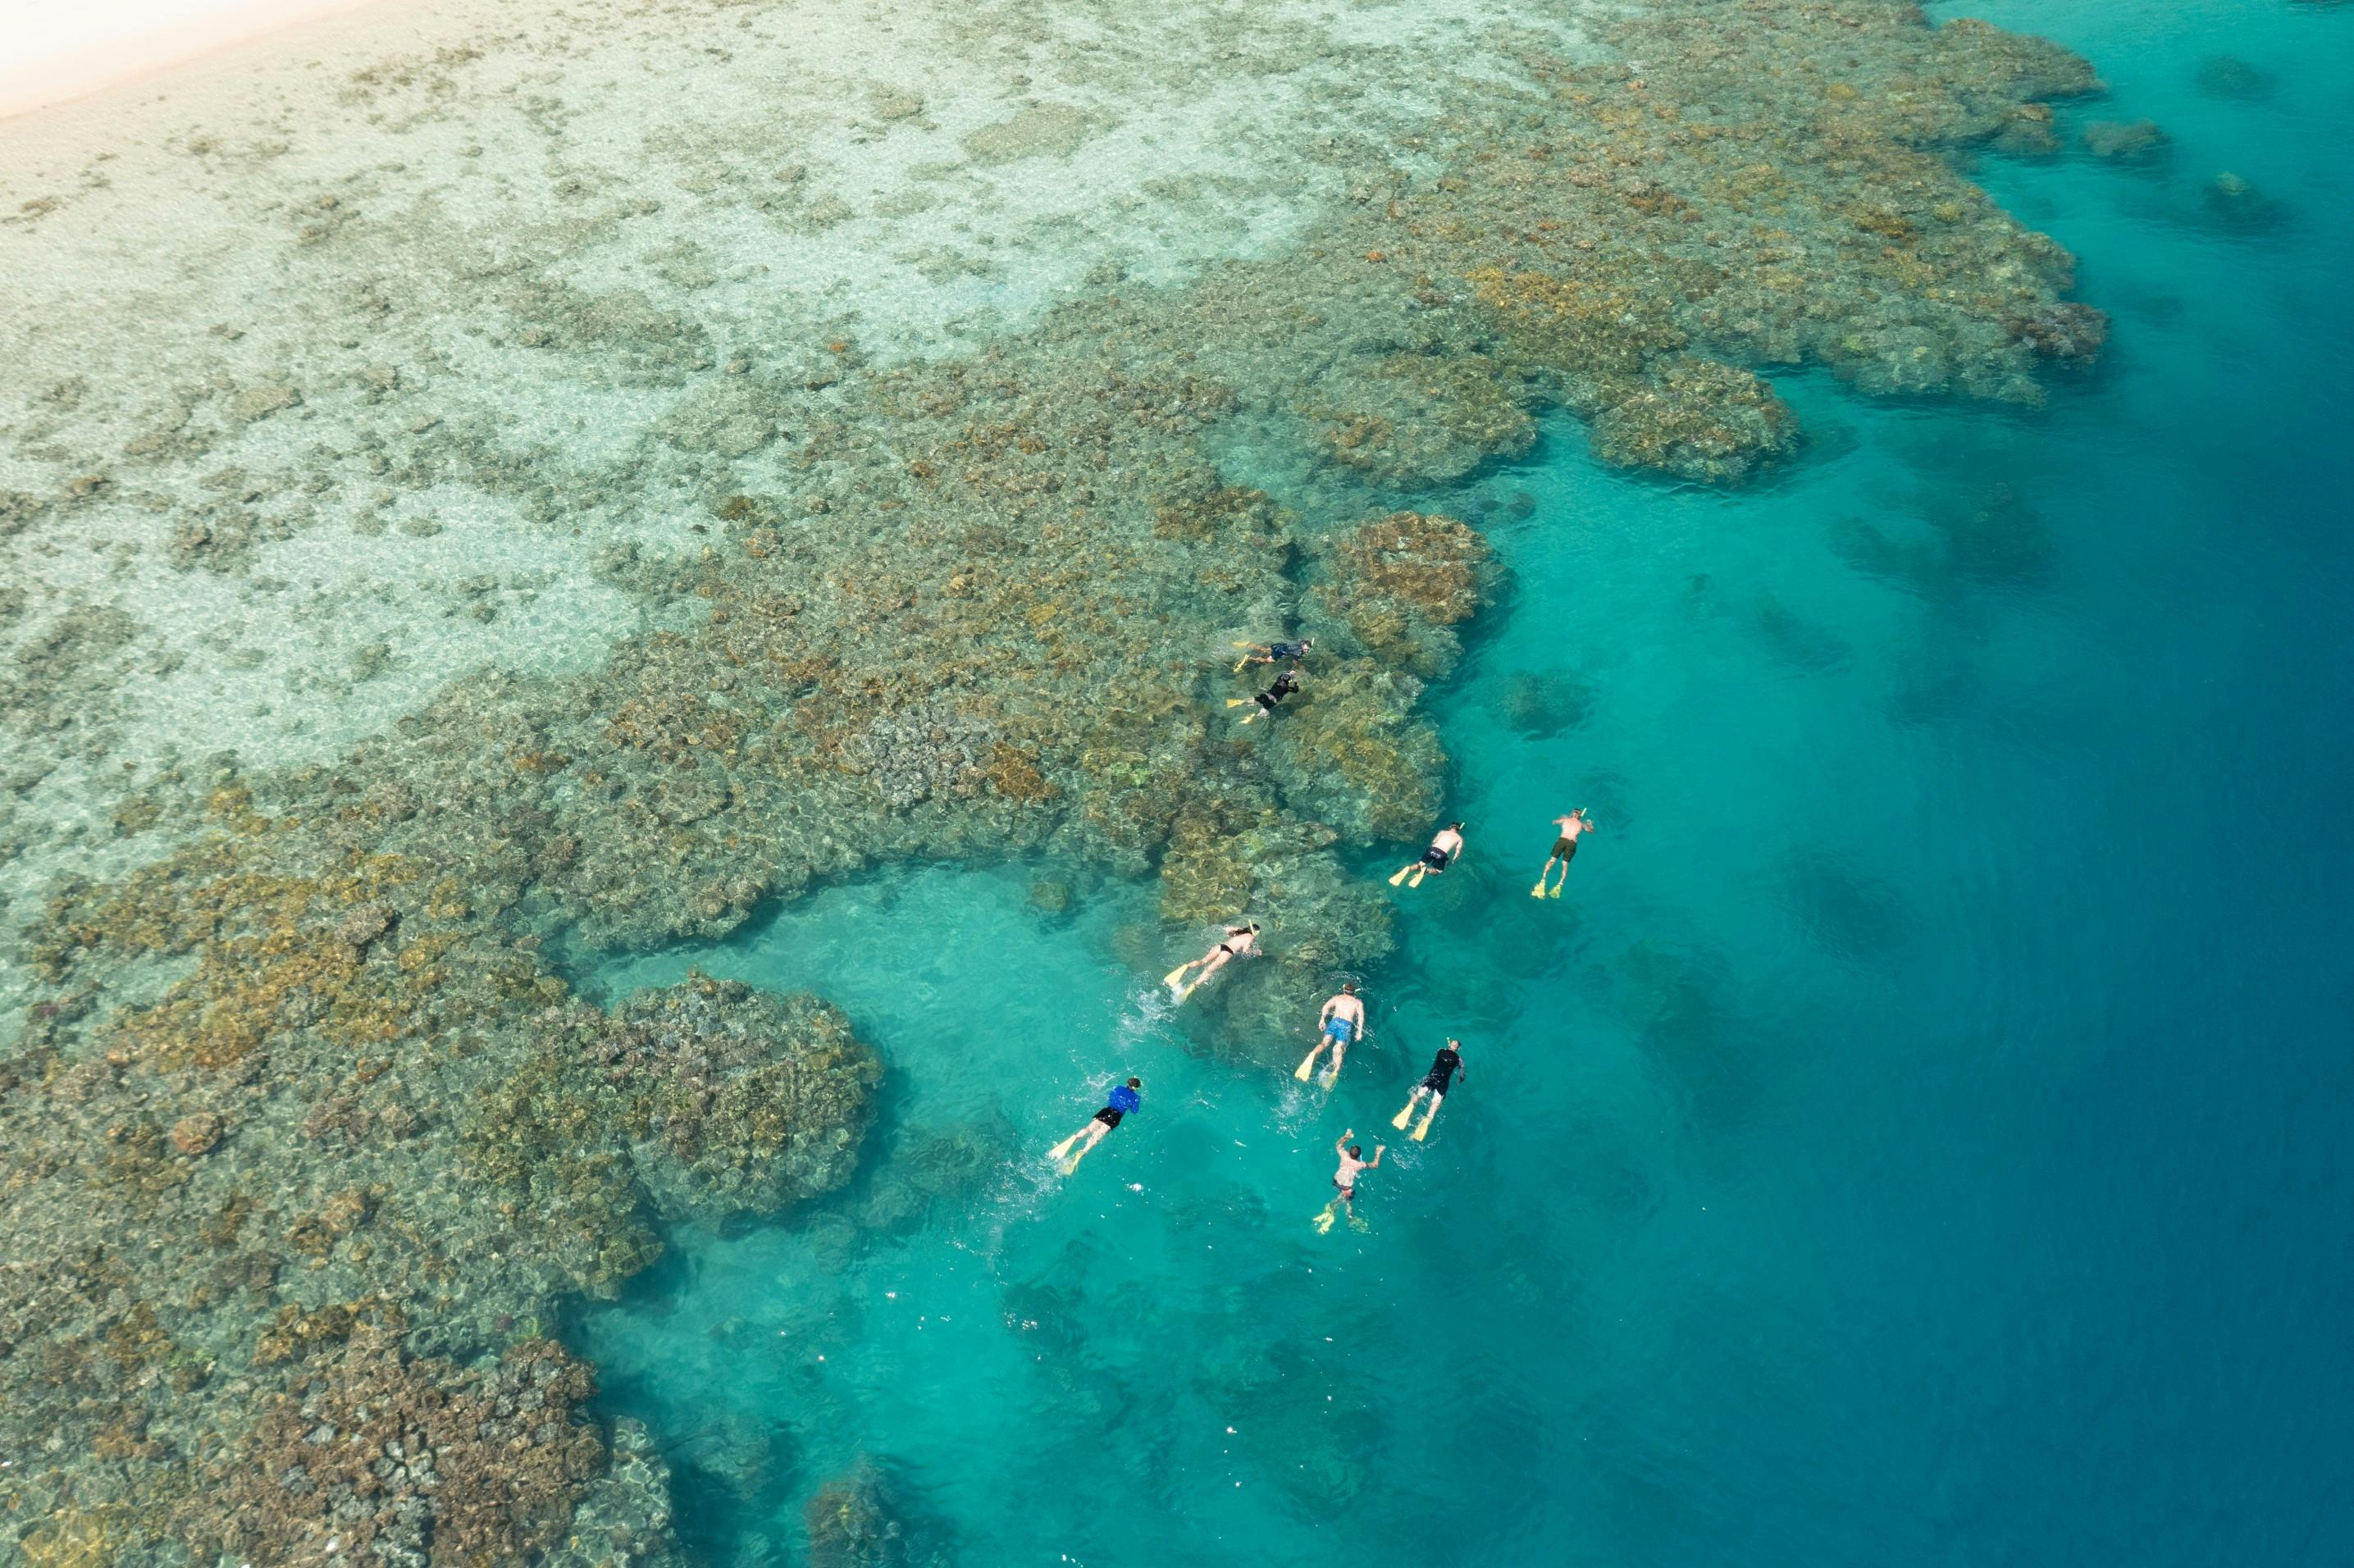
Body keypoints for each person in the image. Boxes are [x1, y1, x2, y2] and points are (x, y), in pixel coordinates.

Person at [1047, 1078, 1141, 1174]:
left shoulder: (1117, 1088)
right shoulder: (1136, 1098)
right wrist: (1132, 1103)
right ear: (1136, 1088)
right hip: (1116, 1117)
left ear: (1127, 1083)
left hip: (1107, 1110)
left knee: (1089, 1129)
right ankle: (1084, 1151)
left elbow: (1110, 1096)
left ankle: (1076, 1137)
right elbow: (1134, 1111)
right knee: (1098, 1135)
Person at [1390, 1037, 1465, 1141]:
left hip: (1441, 1081)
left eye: (1456, 1043)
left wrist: (1461, 1077)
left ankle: (1426, 1122)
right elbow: (1461, 1072)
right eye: (1453, 1042)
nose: (1455, 1043)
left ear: (1458, 1048)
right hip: (1433, 1077)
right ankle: (1410, 1107)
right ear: (1450, 1044)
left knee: (1435, 1103)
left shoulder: (1456, 1057)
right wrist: (1461, 1078)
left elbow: (1462, 1072)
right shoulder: (1444, 1052)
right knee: (1420, 1095)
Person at [1164, 922, 1259, 1001]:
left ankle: (1185, 967)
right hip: (1228, 953)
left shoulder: (1240, 932)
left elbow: (1226, 929)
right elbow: (1245, 950)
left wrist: (1239, 929)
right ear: (1254, 932)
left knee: (1203, 961)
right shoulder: (1251, 937)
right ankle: (1192, 987)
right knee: (1209, 970)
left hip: (1221, 946)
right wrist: (1256, 952)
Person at [1312, 1129, 1385, 1233]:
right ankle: (1349, 1219)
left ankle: (1332, 1209)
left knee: (1342, 1198)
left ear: (1349, 1152)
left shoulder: (1344, 1155)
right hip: (1346, 1188)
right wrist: (1378, 1152)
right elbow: (1375, 1165)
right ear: (1359, 1156)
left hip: (1335, 1182)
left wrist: (1347, 1136)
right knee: (1348, 1202)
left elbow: (1338, 1145)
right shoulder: (1360, 1164)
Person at [1295, 982, 1366, 1084]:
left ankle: (1313, 1054)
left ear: (1344, 990)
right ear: (1353, 992)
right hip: (1345, 1025)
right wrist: (1359, 1032)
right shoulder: (1358, 1003)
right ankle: (1335, 1071)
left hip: (1334, 1021)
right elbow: (1361, 1018)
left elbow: (1326, 1007)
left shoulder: (1337, 998)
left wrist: (1322, 1019)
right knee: (1339, 1047)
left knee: (1325, 1043)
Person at [1531, 808, 1595, 899]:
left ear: (1571, 814)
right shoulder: (1581, 824)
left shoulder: (1565, 820)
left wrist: (1562, 818)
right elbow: (1592, 831)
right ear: (1580, 816)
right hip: (1572, 843)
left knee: (1552, 860)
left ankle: (1543, 880)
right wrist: (1589, 824)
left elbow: (1554, 822)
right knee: (1565, 864)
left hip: (1562, 841)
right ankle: (1560, 884)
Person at [1389, 821, 1465, 888]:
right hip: (1442, 854)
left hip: (1432, 849)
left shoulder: (1442, 832)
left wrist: (1433, 850)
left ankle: (1409, 869)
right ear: (1458, 829)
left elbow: (1434, 841)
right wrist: (1453, 861)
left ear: (1450, 827)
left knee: (1420, 865)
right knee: (1438, 871)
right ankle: (1427, 870)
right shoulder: (1459, 838)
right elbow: (1457, 852)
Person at [1229, 663, 1301, 725]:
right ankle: (1252, 717)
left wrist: (1289, 673)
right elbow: (1295, 691)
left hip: (1267, 695)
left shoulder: (1279, 679)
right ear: (1289, 681)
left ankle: (1239, 702)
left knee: (1255, 699)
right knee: (1264, 712)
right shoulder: (1287, 688)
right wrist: (1296, 683)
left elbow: (1284, 675)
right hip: (1272, 701)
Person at [1234, 635, 1314, 670]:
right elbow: (1294, 662)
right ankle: (1250, 658)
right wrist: (1299, 666)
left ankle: (1248, 644)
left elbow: (1303, 640)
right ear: (1303, 646)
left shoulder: (1302, 642)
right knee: (1268, 661)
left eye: (1308, 650)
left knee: (1265, 649)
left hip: (1280, 645)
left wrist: (1307, 648)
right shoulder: (1299, 653)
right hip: (1281, 651)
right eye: (1306, 649)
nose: (1306, 651)